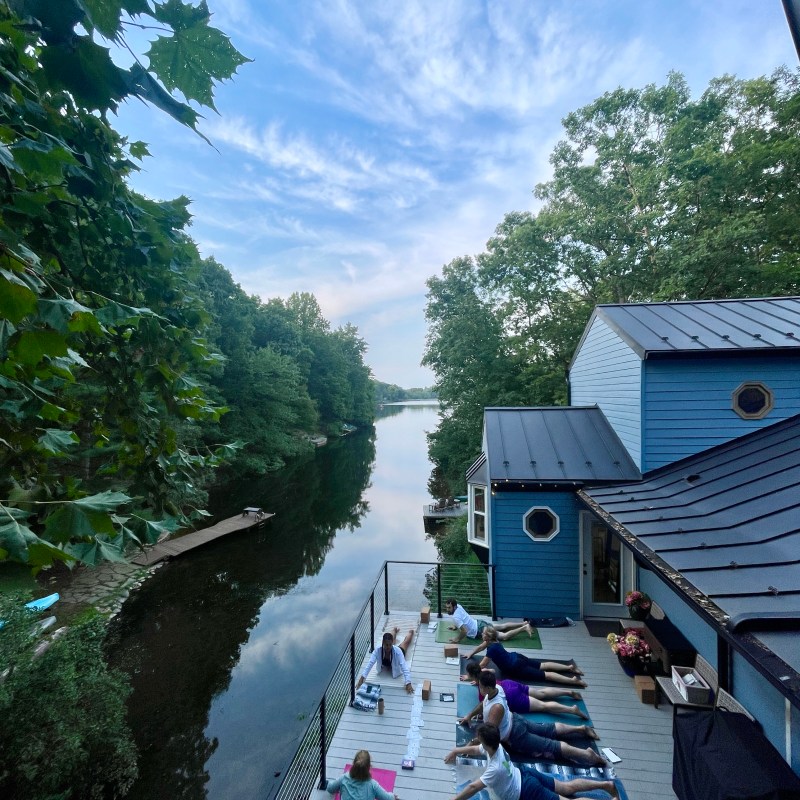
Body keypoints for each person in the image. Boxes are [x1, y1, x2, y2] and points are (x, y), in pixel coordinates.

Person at [459, 671, 605, 768]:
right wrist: (469, 716)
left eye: (481, 687)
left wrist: (470, 744)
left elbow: (488, 734)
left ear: (488, 688)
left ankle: (587, 755)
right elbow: (483, 703)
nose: (479, 688)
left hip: (516, 735)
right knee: (548, 729)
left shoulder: (496, 709)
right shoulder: (497, 688)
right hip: (516, 719)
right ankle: (581, 729)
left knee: (550, 745)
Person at [444, 724, 617, 800]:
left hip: (526, 791)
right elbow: (476, 750)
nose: (478, 742)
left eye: (480, 739)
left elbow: (474, 787)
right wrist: (455, 751)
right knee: (567, 787)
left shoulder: (495, 768)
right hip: (525, 773)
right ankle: (606, 785)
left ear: (486, 743)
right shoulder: (497, 748)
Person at [461, 660, 588, 720]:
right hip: (509, 684)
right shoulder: (485, 672)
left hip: (511, 697)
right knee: (541, 693)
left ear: (472, 676)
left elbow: (483, 706)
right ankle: (568, 692)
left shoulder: (482, 689)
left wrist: (475, 715)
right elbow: (492, 671)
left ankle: (572, 709)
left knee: (543, 706)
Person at [477, 641, 587, 688]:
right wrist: (470, 653)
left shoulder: (490, 650)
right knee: (543, 665)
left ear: (486, 638)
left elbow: (482, 665)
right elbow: (481, 646)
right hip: (517, 656)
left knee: (546, 675)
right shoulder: (495, 641)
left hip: (515, 666)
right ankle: (569, 667)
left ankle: (573, 681)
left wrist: (472, 675)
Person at [445, 599, 530, 644]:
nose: (447, 609)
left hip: (479, 630)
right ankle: (523, 623)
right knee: (502, 626)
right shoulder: (458, 606)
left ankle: (524, 628)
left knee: (504, 636)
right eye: (447, 607)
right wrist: (455, 626)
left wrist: (456, 639)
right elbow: (461, 619)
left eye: (449, 608)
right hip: (479, 623)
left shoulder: (455, 617)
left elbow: (464, 631)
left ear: (454, 607)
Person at [356, 630, 414, 694]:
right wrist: (362, 678)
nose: (388, 647)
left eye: (390, 645)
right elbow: (370, 663)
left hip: (397, 653)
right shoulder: (377, 650)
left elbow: (404, 667)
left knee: (406, 642)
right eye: (386, 645)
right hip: (387, 657)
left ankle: (411, 632)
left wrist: (408, 682)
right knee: (391, 639)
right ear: (382, 643)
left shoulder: (398, 652)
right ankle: (394, 630)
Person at [326, 750, 399, 800]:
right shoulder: (373, 785)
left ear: (354, 764)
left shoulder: (343, 778)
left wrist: (329, 783)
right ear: (369, 767)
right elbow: (387, 798)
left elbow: (330, 789)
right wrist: (393, 796)